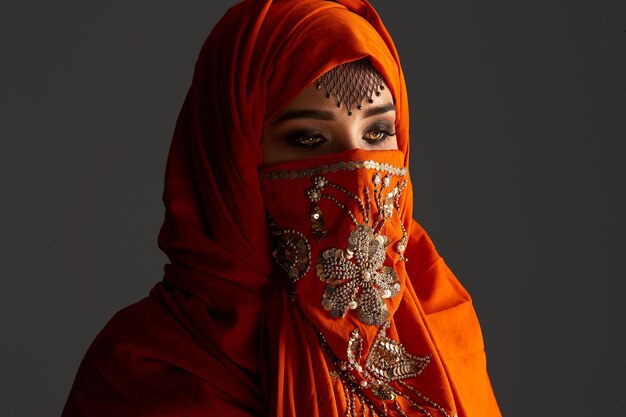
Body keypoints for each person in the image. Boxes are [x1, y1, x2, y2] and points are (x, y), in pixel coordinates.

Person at [62, 0, 501, 416]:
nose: (359, 171)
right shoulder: (144, 372)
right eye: (309, 139)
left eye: (377, 133)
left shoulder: (441, 323)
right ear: (232, 161)